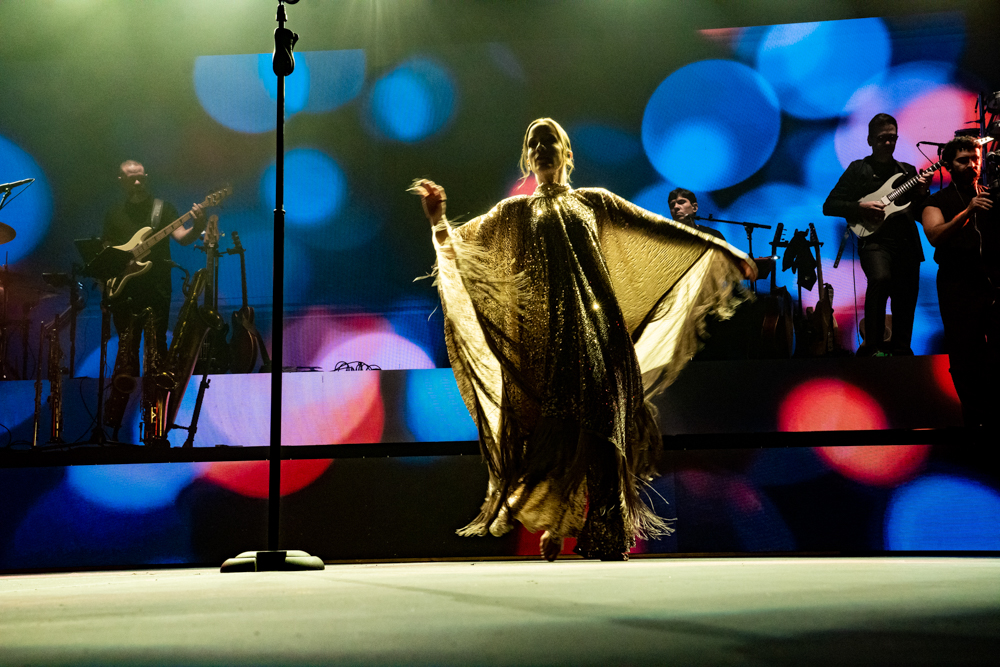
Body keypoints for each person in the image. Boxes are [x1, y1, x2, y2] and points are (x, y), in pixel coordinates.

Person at [412, 118, 755, 561]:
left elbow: (659, 231)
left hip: (599, 336)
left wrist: (724, 251)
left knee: (602, 429)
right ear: (527, 158)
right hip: (545, 344)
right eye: (533, 142)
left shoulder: (595, 202)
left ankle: (608, 532)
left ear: (567, 153)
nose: (541, 147)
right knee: (553, 434)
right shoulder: (512, 214)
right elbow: (462, 249)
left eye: (549, 140)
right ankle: (560, 519)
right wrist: (438, 221)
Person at [101, 160, 205, 439]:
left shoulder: (163, 209)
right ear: (121, 181)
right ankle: (118, 426)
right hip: (123, 292)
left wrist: (199, 223)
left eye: (141, 178)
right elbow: (106, 253)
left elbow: (183, 237)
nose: (137, 183)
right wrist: (105, 285)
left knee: (157, 352)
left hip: (157, 290)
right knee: (126, 355)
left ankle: (155, 426)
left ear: (146, 177)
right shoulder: (114, 213)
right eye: (131, 179)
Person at [823, 113, 929, 356]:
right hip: (874, 242)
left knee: (905, 297)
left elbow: (918, 213)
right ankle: (872, 346)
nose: (888, 142)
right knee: (880, 279)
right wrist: (859, 207)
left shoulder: (907, 171)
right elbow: (830, 205)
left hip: (906, 244)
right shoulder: (858, 169)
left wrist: (922, 192)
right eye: (882, 138)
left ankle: (902, 350)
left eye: (892, 138)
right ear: (870, 140)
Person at [921, 136, 999, 428]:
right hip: (958, 287)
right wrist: (968, 212)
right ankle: (976, 425)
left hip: (993, 285)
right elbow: (935, 235)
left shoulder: (993, 195)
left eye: (975, 159)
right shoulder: (936, 201)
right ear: (949, 165)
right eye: (963, 160)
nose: (971, 165)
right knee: (965, 357)